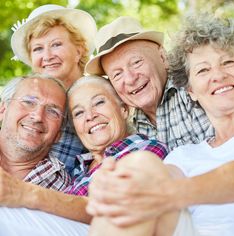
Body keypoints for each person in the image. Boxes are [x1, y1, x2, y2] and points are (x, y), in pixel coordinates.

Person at [86, 15, 234, 234]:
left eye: (136, 62)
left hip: (179, 203)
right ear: (192, 90)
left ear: (163, 58)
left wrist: (167, 193)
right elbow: (154, 177)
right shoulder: (148, 137)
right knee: (136, 169)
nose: (129, 78)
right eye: (117, 74)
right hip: (181, 220)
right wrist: (115, 186)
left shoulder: (184, 91)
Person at [0, 75, 167, 234]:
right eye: (78, 113)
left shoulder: (145, 149)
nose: (90, 116)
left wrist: (25, 193)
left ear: (123, 109)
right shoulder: (77, 173)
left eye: (99, 102)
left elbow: (123, 208)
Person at [11, 4, 97, 175]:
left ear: (79, 51)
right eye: (38, 49)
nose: (47, 56)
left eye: (56, 44)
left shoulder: (98, 95)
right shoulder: (23, 100)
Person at [0, 73, 70, 190]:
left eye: (53, 111)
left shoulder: (64, 189)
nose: (38, 116)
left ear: (59, 133)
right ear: (3, 110)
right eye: (28, 102)